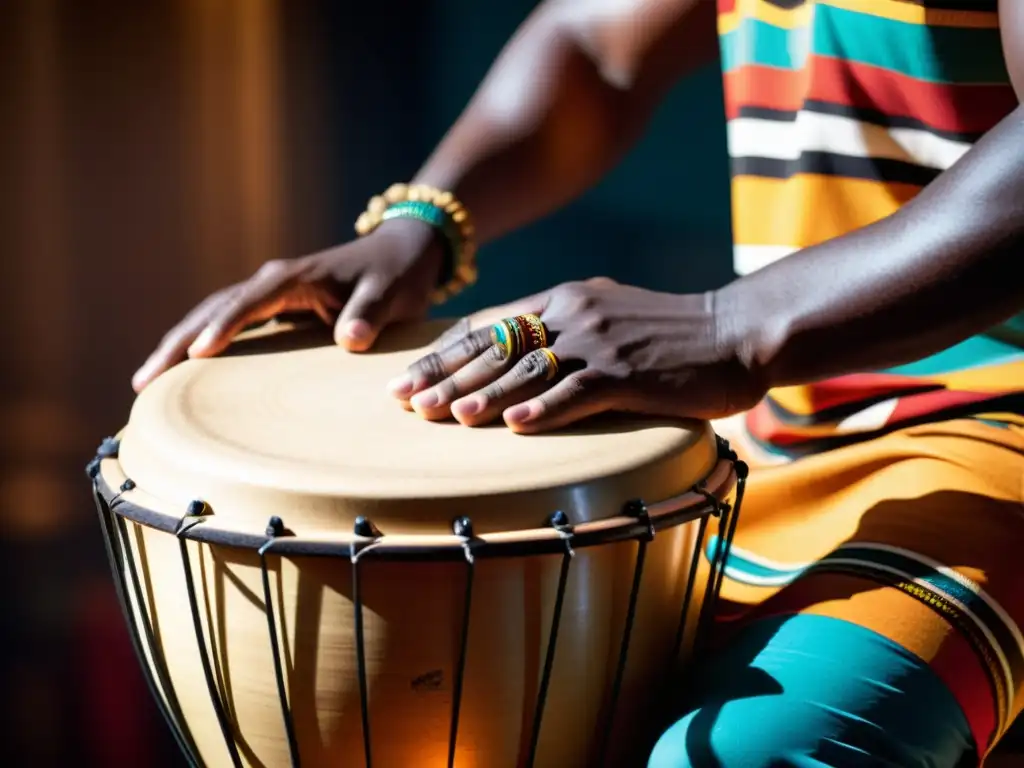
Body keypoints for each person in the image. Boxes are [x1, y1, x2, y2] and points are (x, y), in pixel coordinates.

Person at [133, 0, 1024, 765]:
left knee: (747, 749)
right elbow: (596, 44)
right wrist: (422, 224)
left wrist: (729, 328)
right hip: (774, 439)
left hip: (1000, 447)